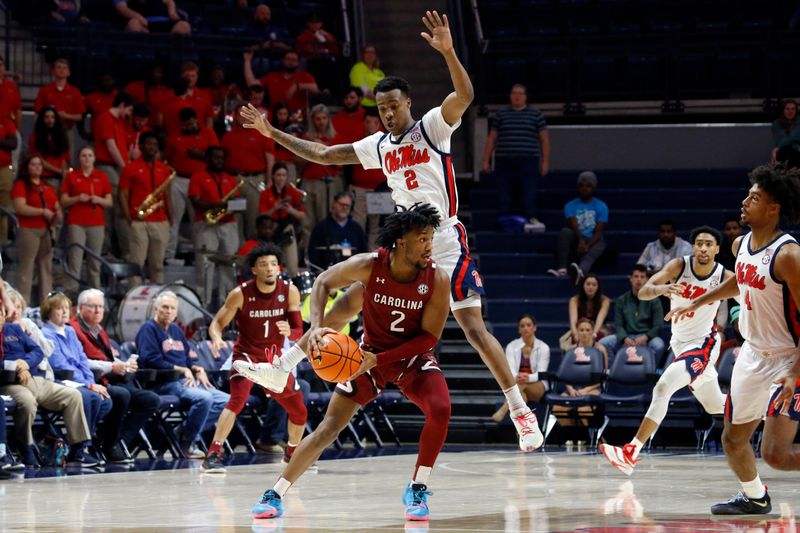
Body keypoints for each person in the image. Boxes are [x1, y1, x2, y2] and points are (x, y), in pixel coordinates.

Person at [240, 10, 543, 452]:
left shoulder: (433, 127)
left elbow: (465, 93)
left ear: (408, 104)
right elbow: (324, 154)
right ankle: (284, 365)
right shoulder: (378, 146)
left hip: (442, 242)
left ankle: (519, 410)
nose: (386, 114)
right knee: (345, 306)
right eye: (380, 109)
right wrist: (273, 133)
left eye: (393, 106)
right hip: (401, 248)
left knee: (474, 328)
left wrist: (449, 51)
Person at [237, 204, 452, 521]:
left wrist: (378, 359)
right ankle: (275, 492)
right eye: (422, 239)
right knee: (327, 429)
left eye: (431, 238)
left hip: (409, 359)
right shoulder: (369, 265)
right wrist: (315, 328)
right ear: (401, 241)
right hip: (365, 357)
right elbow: (323, 281)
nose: (429, 246)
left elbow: (429, 339)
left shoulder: (437, 278)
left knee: (441, 409)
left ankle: (417, 487)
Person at [665, 163, 800, 515]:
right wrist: (698, 300)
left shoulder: (789, 256)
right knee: (732, 438)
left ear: (773, 209)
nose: (744, 202)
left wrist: (795, 371)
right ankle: (754, 496)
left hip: (790, 357)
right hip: (753, 354)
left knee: (777, 454)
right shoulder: (740, 243)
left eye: (754, 198)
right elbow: (740, 281)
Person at [600, 226, 731, 476]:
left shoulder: (724, 275)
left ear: (717, 249)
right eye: (699, 243)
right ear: (693, 247)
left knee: (662, 387)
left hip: (704, 344)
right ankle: (777, 411)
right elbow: (644, 291)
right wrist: (663, 289)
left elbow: (748, 292)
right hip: (680, 344)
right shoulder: (679, 266)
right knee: (717, 406)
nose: (703, 248)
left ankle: (630, 451)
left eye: (708, 244)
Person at [202, 244, 306, 473]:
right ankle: (213, 454)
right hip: (246, 358)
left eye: (273, 264)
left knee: (299, 411)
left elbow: (299, 329)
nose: (269, 269)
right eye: (263, 265)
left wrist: (291, 331)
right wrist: (217, 338)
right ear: (254, 269)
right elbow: (217, 323)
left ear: (279, 268)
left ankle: (291, 455)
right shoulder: (241, 293)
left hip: (275, 362)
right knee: (237, 401)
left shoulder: (289, 291)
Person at [0, 304, 99, 467]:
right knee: (27, 402)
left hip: (35, 379)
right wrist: (14, 365)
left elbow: (37, 351)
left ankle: (78, 450)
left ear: (4, 316)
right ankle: (26, 445)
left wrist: (25, 362)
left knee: (73, 396)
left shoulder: (13, 330)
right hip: (10, 383)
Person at [70, 288, 160, 462]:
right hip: (90, 381)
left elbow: (106, 356)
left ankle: (116, 440)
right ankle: (110, 445)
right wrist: (112, 366)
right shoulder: (73, 329)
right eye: (93, 307)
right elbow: (81, 362)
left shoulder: (99, 330)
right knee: (121, 395)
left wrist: (124, 365)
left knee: (150, 400)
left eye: (101, 307)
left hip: (109, 379)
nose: (98, 311)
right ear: (80, 308)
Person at [137, 291, 229, 457]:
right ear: (156, 309)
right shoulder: (148, 329)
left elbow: (187, 358)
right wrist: (180, 369)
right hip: (164, 383)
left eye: (173, 308)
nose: (169, 311)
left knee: (226, 401)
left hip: (187, 381)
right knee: (204, 398)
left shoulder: (176, 330)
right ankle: (188, 442)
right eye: (165, 307)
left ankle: (182, 433)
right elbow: (149, 359)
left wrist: (196, 368)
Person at [41, 293, 114, 456]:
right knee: (90, 397)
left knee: (106, 400)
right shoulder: (46, 333)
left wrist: (91, 382)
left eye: (67, 308)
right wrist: (88, 385)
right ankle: (81, 447)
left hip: (80, 381)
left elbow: (82, 360)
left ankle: (76, 443)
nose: (65, 312)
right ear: (48, 311)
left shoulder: (70, 331)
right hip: (61, 380)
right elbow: (60, 365)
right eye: (59, 308)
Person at [481, 83, 550, 231]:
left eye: (520, 93)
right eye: (514, 93)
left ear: (525, 97)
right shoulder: (501, 114)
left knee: (529, 193)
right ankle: (504, 222)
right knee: (504, 194)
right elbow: (492, 138)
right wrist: (486, 160)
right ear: (510, 96)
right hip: (504, 161)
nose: (517, 96)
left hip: (529, 160)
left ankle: (530, 218)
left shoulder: (536, 114)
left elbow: (544, 139)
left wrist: (545, 162)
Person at [164, 106, 220, 261]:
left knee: (199, 219)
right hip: (178, 179)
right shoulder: (174, 136)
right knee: (173, 218)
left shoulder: (208, 133)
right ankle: (168, 255)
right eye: (185, 124)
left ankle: (201, 257)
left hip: (201, 180)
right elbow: (166, 158)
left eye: (191, 123)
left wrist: (200, 155)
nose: (189, 127)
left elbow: (218, 158)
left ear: (196, 120)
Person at [188, 146, 240, 306]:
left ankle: (228, 305)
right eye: (215, 157)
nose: (219, 161)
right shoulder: (198, 176)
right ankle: (203, 303)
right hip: (205, 224)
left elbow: (236, 203)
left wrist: (231, 205)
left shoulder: (231, 179)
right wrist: (217, 205)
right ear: (208, 159)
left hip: (228, 224)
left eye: (221, 158)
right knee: (205, 266)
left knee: (229, 265)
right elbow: (195, 201)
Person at [119, 131, 173, 285]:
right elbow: (122, 195)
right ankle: (133, 297)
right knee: (136, 263)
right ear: (141, 146)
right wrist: (129, 219)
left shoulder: (164, 169)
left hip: (160, 220)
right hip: (139, 221)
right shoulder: (130, 168)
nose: (152, 147)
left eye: (155, 145)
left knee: (157, 264)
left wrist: (171, 218)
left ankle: (158, 297)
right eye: (148, 144)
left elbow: (167, 195)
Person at [60, 146, 113, 290]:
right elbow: (63, 200)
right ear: (79, 159)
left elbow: (109, 201)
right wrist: (77, 198)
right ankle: (72, 294)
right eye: (84, 155)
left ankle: (94, 294)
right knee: (75, 260)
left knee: (95, 262)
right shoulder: (72, 176)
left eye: (90, 155)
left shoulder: (102, 176)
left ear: (94, 158)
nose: (87, 158)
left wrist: (98, 200)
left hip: (96, 222)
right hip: (76, 222)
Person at [12, 155, 62, 304]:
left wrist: (58, 213)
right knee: (26, 267)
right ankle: (22, 304)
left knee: (45, 267)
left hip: (47, 230)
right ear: (27, 167)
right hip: (29, 229)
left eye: (39, 164)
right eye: (33, 164)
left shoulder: (47, 186)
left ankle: (46, 304)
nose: (37, 167)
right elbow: (20, 207)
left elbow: (56, 205)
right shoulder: (21, 185)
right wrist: (41, 212)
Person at [221, 103, 275, 241]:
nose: (242, 118)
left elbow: (270, 159)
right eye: (240, 114)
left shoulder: (262, 133)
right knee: (235, 216)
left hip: (255, 180)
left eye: (246, 114)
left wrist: (269, 180)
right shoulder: (228, 136)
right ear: (234, 116)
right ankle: (237, 249)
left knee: (254, 217)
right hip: (234, 181)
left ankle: (251, 248)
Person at [94, 91, 135, 258]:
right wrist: (125, 167)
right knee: (113, 208)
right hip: (109, 167)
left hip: (117, 167)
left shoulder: (119, 122)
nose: (130, 114)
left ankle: (117, 247)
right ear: (122, 105)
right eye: (130, 110)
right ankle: (107, 248)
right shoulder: (105, 119)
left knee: (120, 207)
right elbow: (111, 146)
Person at [549, 171, 608, 283]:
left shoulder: (601, 206)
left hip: (593, 239)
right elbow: (573, 224)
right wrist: (581, 241)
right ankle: (562, 269)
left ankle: (581, 272)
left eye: (588, 186)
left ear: (593, 188)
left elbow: (599, 231)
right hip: (576, 238)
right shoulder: (570, 205)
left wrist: (587, 245)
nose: (584, 188)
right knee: (565, 232)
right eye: (581, 185)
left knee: (600, 242)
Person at [599, 264, 666, 362]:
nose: (639, 279)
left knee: (659, 345)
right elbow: (618, 324)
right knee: (603, 343)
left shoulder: (654, 300)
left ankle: (651, 372)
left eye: (642, 277)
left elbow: (658, 325)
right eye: (636, 276)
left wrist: (646, 337)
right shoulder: (621, 300)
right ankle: (612, 370)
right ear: (631, 279)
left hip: (647, 337)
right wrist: (625, 338)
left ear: (647, 280)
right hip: (627, 336)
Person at [492, 314, 550, 422]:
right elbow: (510, 370)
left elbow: (542, 373)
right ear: (519, 329)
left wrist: (527, 378)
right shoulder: (512, 346)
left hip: (538, 385)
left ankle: (503, 410)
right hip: (518, 383)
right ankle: (521, 434)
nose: (526, 328)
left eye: (528, 325)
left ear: (534, 328)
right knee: (521, 398)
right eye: (522, 326)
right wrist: (517, 376)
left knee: (519, 386)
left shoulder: (543, 347)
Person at [550, 318, 608, 426]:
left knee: (584, 409)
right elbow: (565, 375)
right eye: (581, 330)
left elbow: (604, 376)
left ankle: (588, 438)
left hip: (593, 388)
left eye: (587, 330)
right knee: (557, 408)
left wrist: (586, 389)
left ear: (592, 331)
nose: (584, 333)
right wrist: (571, 389)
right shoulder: (571, 350)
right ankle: (572, 436)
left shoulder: (600, 349)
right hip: (574, 389)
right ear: (576, 332)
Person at [300, 104, 344, 230]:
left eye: (324, 118)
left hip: (329, 183)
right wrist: (310, 148)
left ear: (328, 119)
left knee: (326, 219)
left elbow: (340, 164)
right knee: (308, 221)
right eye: (318, 119)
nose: (321, 122)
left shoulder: (336, 137)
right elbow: (298, 161)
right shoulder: (306, 138)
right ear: (313, 120)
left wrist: (321, 147)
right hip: (309, 181)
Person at [349, 109, 386, 251]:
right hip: (359, 189)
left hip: (380, 190)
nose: (371, 125)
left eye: (375, 122)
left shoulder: (386, 139)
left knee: (377, 228)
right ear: (363, 122)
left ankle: (374, 258)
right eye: (368, 122)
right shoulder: (357, 139)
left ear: (379, 123)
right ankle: (357, 258)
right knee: (357, 224)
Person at [243, 49, 319, 114]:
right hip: (276, 115)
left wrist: (298, 86)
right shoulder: (272, 76)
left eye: (294, 60)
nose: (291, 62)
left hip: (297, 115)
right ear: (283, 60)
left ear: (298, 62)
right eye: (288, 59)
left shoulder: (305, 76)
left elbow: (315, 89)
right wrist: (247, 60)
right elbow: (251, 84)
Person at [307, 191, 367, 270]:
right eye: (341, 204)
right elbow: (313, 254)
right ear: (334, 204)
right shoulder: (321, 227)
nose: (344, 208)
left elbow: (363, 253)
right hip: (327, 272)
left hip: (352, 273)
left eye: (347, 206)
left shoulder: (357, 228)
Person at [33, 58, 85, 130]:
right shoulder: (44, 90)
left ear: (69, 72)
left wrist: (66, 116)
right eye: (58, 67)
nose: (62, 70)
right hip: (47, 130)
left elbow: (80, 116)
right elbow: (37, 113)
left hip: (67, 131)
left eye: (64, 68)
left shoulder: (75, 92)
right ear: (53, 71)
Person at [563, 274, 611, 350]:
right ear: (583, 285)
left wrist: (594, 334)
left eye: (594, 285)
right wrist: (576, 334)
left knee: (600, 338)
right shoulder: (574, 300)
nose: (590, 287)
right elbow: (573, 322)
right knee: (570, 341)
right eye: (588, 284)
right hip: (580, 329)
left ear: (598, 287)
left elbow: (600, 320)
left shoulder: (605, 300)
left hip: (599, 328)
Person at [27, 106, 70, 186]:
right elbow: (38, 159)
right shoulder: (34, 137)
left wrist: (63, 173)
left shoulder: (62, 136)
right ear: (42, 119)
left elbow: (65, 158)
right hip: (43, 177)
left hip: (60, 178)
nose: (50, 120)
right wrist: (58, 170)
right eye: (47, 117)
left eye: (52, 117)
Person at [113, 0, 191, 34]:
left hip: (166, 23)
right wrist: (139, 17)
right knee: (134, 25)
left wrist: (172, 13)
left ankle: (172, 57)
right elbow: (121, 8)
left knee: (184, 26)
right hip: (143, 24)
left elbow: (169, 2)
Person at [0, 103, 16, 247]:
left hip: (3, 170)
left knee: (3, 210)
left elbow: (13, 143)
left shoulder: (6, 122)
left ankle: (2, 246)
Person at [770, 99, 800, 168]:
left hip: (797, 152)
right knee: (784, 150)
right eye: (787, 109)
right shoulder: (776, 124)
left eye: (793, 109)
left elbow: (795, 137)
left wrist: (777, 148)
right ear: (783, 110)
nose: (790, 111)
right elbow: (780, 140)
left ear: (796, 111)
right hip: (783, 152)